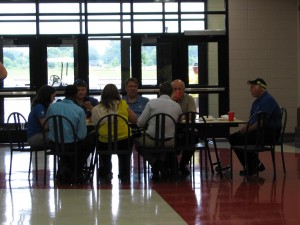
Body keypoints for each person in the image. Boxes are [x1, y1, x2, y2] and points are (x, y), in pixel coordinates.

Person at [229, 78, 282, 176]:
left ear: (260, 88)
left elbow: (262, 123)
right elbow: (251, 120)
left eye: (252, 87)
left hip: (270, 133)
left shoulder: (268, 100)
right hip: (260, 130)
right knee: (233, 138)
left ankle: (253, 166)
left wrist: (246, 130)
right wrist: (243, 129)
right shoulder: (256, 102)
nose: (250, 90)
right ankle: (254, 165)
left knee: (240, 139)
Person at [47, 85, 93, 183]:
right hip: (71, 145)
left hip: (54, 144)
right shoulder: (79, 110)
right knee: (88, 144)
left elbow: (48, 124)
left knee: (66, 153)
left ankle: (66, 171)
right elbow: (81, 135)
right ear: (76, 94)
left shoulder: (52, 107)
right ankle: (76, 172)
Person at [92, 83, 137, 183]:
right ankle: (124, 173)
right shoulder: (123, 104)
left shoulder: (96, 109)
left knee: (100, 142)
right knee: (125, 152)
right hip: (124, 141)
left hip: (105, 143)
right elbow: (134, 119)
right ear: (117, 93)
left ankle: (106, 172)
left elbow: (96, 127)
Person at [137, 82, 182, 181]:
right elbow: (179, 122)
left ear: (159, 92)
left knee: (138, 142)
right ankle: (160, 165)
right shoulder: (177, 106)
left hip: (153, 140)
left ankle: (156, 164)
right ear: (171, 93)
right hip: (170, 142)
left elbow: (140, 123)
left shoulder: (151, 103)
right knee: (162, 146)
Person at [171, 79, 197, 175]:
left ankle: (183, 164)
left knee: (193, 138)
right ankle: (172, 164)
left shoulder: (189, 98)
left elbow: (192, 115)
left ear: (184, 89)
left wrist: (178, 115)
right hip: (171, 129)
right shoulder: (168, 99)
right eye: (175, 89)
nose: (177, 91)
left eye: (180, 89)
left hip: (185, 128)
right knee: (168, 139)